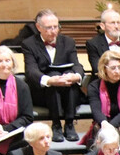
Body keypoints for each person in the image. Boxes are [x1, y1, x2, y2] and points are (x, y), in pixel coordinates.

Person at [21, 9, 85, 142]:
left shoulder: (68, 42)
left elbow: (77, 65)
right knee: (53, 78)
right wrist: (50, 80)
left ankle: (69, 124)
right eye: (49, 28)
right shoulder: (29, 44)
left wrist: (76, 76)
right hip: (44, 93)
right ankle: (55, 124)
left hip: (67, 92)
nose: (54, 31)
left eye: (56, 27)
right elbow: (31, 70)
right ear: (38, 27)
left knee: (70, 82)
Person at [82, 51, 120, 147]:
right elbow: (96, 111)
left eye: (119, 67)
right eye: (113, 68)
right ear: (104, 69)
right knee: (98, 130)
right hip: (102, 122)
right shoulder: (94, 86)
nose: (117, 71)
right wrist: (105, 124)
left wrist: (110, 126)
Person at [0, 45, 33, 155]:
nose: (5, 64)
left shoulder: (22, 86)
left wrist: (5, 129)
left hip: (14, 132)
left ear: (13, 63)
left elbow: (27, 117)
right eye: (0, 61)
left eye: (7, 60)